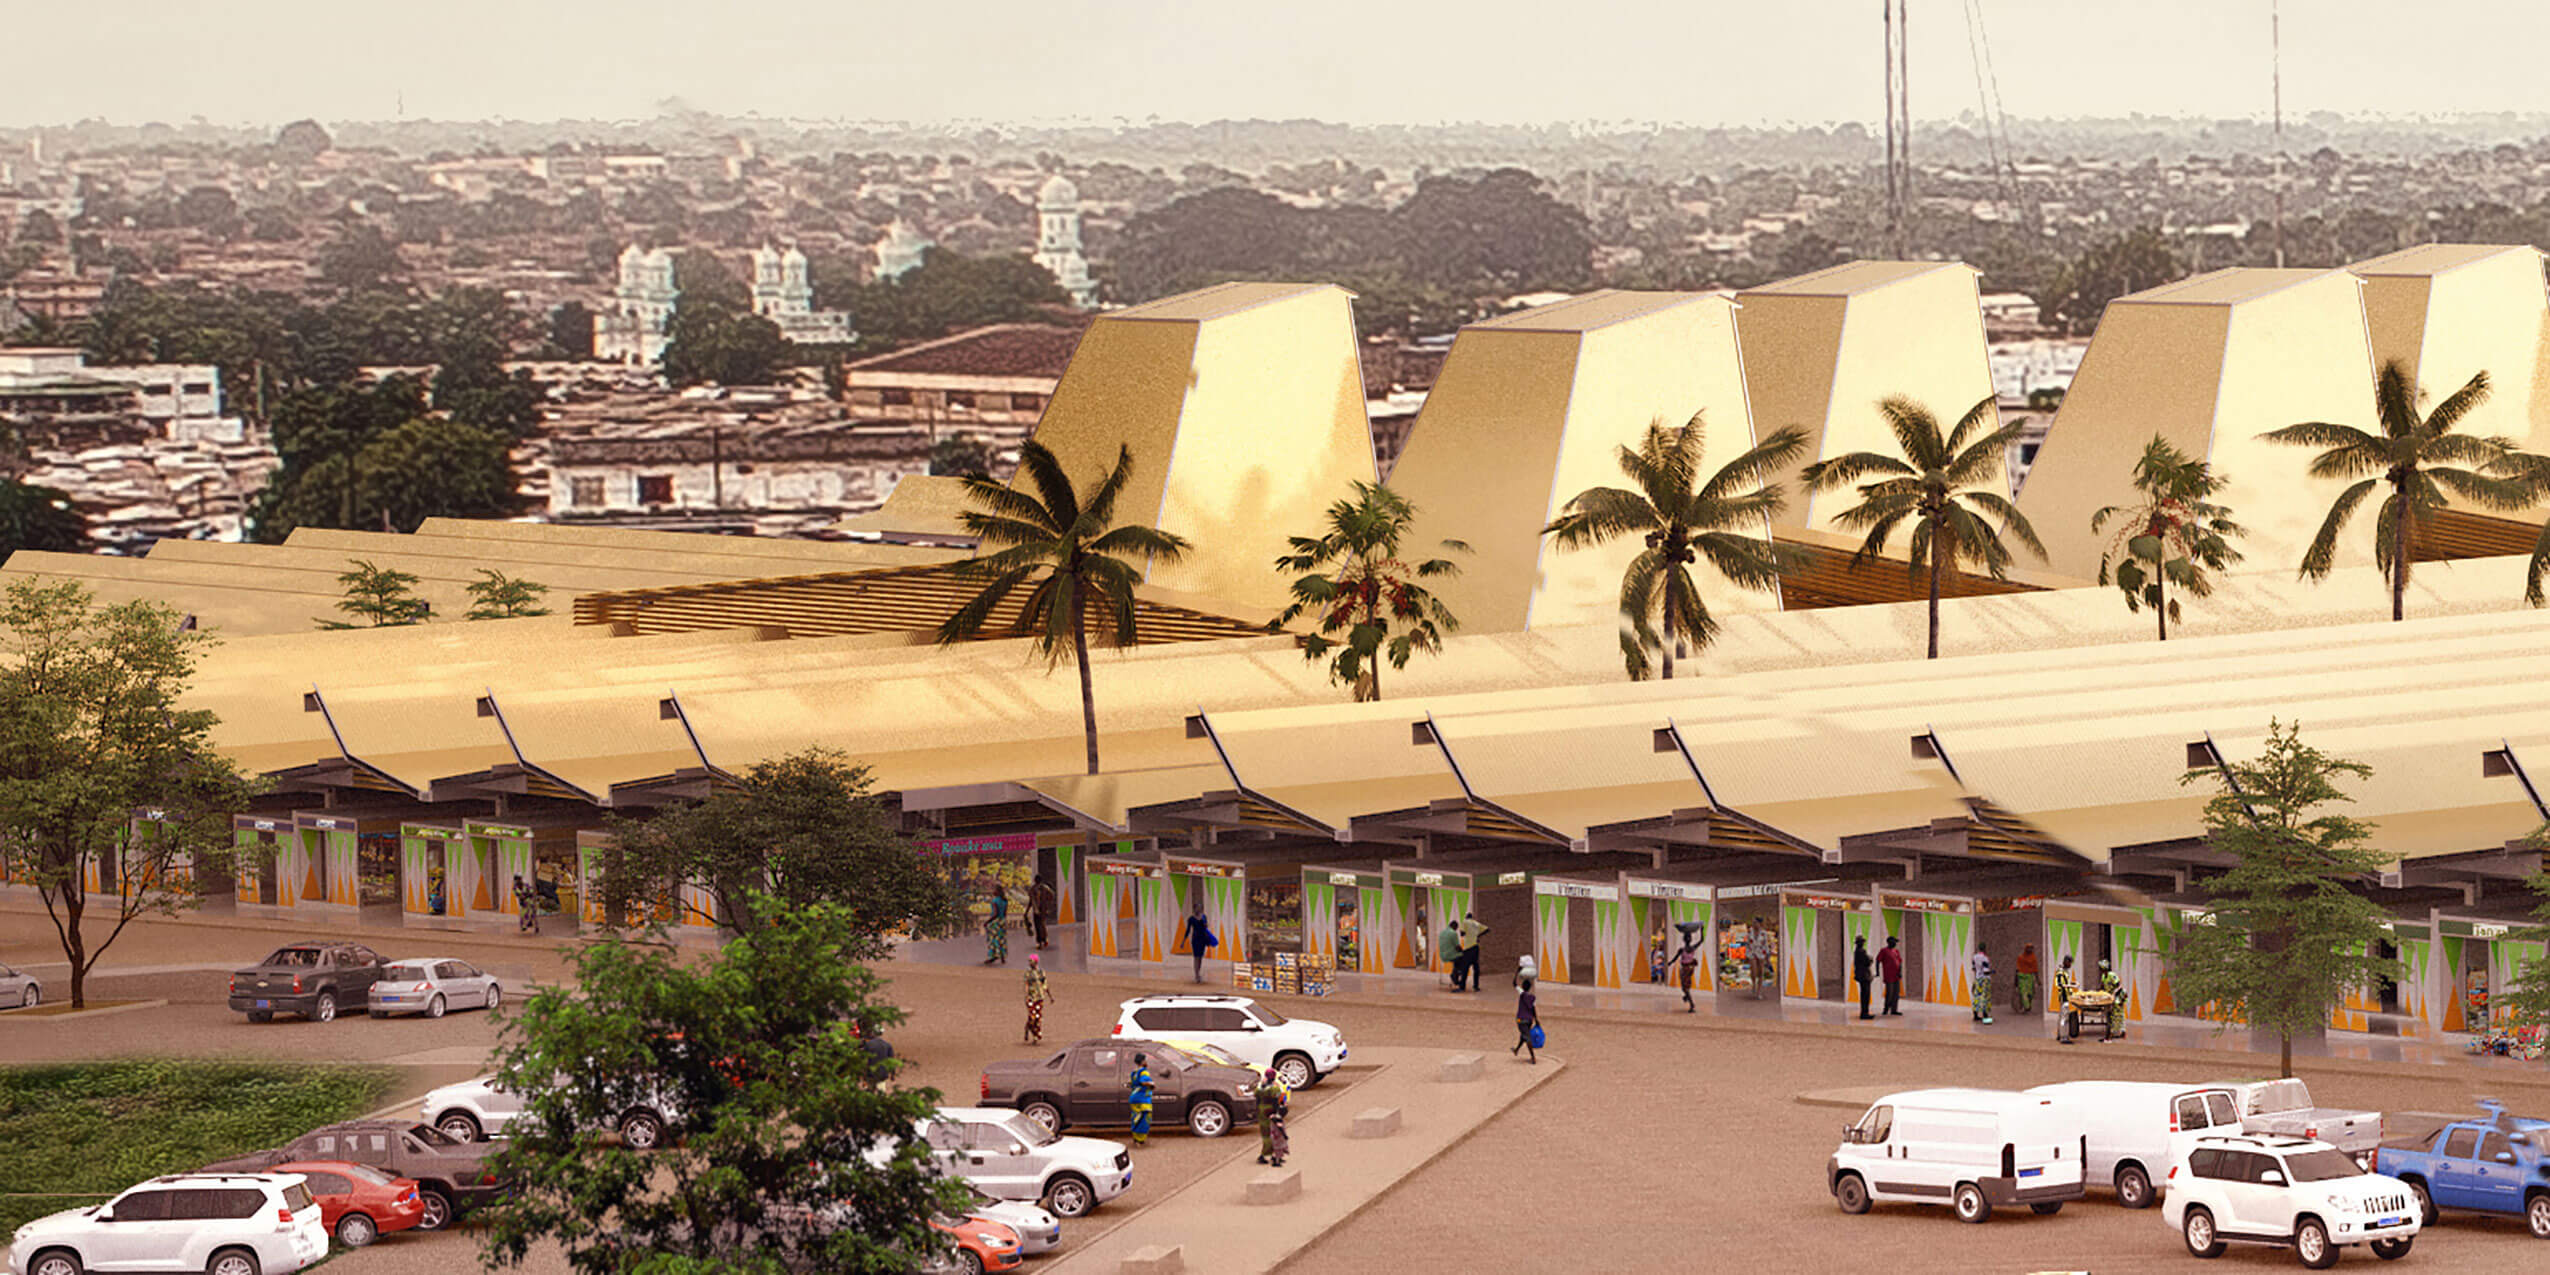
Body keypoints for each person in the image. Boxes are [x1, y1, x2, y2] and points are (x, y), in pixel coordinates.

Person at [1255, 1065, 1290, 1165]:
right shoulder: (1275, 1089)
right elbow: (1278, 1101)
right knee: (1273, 1135)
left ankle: (1271, 1155)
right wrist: (1277, 1113)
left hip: (1262, 1112)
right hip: (1271, 1112)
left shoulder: (1260, 1088)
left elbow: (1256, 1098)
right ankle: (1266, 1155)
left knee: (1266, 1134)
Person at [1455, 912, 1489, 994]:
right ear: (1472, 917)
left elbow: (1462, 934)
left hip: (1468, 948)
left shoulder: (1465, 922)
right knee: (1476, 967)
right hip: (1476, 947)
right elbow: (1487, 929)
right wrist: (1477, 936)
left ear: (1466, 917)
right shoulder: (1476, 923)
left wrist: (1465, 933)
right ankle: (1476, 986)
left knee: (1465, 968)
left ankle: (1462, 987)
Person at [1127, 1052, 1155, 1147]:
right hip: (1143, 1099)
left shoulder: (1133, 1072)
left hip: (1134, 1098)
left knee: (1136, 1118)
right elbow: (1144, 1081)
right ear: (1142, 1061)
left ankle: (1135, 1138)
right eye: (1145, 1060)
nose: (1146, 1062)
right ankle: (1140, 1140)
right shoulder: (1144, 1071)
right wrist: (1151, 1084)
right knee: (1145, 1119)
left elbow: (1130, 1084)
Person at [1183, 903, 1214, 984]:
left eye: (1200, 908)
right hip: (1195, 939)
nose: (1199, 909)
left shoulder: (1204, 917)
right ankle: (1196, 975)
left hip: (1202, 939)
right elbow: (1188, 930)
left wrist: (1205, 925)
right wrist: (1183, 941)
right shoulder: (1191, 919)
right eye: (1197, 908)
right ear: (1194, 908)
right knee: (1196, 957)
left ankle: (1198, 973)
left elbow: (1205, 928)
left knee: (1200, 957)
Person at [1023, 955, 1051, 1045]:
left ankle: (1035, 1035)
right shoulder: (1028, 973)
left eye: (1031, 961)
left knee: (1038, 1017)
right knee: (1032, 1016)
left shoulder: (1041, 972)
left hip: (1039, 997)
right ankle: (1028, 1028)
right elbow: (1026, 984)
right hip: (1031, 997)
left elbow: (1045, 984)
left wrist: (1050, 996)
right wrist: (1027, 995)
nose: (1030, 963)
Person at [2053, 954, 2080, 1044]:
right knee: (2064, 1018)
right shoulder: (2060, 972)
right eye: (2070, 963)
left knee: (2061, 1016)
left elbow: (2066, 982)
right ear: (2066, 962)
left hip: (2066, 996)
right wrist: (2071, 986)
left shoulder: (2065, 972)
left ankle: (2060, 1034)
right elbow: (2060, 984)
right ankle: (2064, 1037)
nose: (2070, 965)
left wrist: (2073, 983)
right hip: (2064, 996)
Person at [1512, 979, 1540, 1064]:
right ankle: (1516, 1049)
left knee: (1527, 1037)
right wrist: (1536, 1019)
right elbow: (1533, 1009)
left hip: (1520, 1019)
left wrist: (1518, 971)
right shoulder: (1532, 998)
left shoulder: (1522, 994)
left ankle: (1533, 1057)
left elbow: (1514, 983)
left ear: (1523, 987)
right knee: (1524, 1035)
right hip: (1529, 1020)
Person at [983, 881, 1010, 966]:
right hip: (1002, 921)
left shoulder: (995, 901)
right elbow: (1004, 913)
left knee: (994, 939)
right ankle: (1002, 957)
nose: (992, 891)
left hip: (996, 922)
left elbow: (995, 914)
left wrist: (987, 922)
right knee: (1002, 939)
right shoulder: (1005, 901)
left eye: (993, 890)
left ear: (997, 892)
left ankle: (993, 956)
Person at [1877, 935, 1904, 1016]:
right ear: (1889, 942)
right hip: (1889, 975)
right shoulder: (1884, 951)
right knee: (1889, 993)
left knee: (1896, 993)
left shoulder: (1896, 951)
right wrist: (1878, 972)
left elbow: (1899, 962)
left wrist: (1900, 972)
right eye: (1894, 942)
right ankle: (1886, 1009)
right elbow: (1878, 961)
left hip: (1896, 975)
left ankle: (1894, 1009)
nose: (1895, 943)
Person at [2099, 958, 2126, 1039]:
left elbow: (2119, 986)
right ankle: (2114, 1031)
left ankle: (2121, 1031)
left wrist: (2114, 994)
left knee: (2118, 1014)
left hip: (2118, 996)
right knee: (2112, 1015)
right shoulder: (2104, 976)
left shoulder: (2112, 975)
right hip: (2110, 997)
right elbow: (2103, 986)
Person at [1968, 942, 1995, 1025]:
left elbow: (1973, 968)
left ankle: (1975, 1015)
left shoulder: (1974, 957)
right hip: (1985, 980)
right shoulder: (1985, 958)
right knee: (1984, 997)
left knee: (1977, 996)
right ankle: (1985, 1017)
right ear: (1985, 949)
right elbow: (1986, 971)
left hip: (1978, 979)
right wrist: (1992, 972)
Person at [1675, 930, 1701, 1012]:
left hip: (1685, 970)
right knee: (1686, 986)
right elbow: (1701, 940)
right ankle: (1687, 997)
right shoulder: (1693, 948)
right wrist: (1701, 930)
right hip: (1690, 969)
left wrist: (1669, 963)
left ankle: (1691, 1004)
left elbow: (1675, 958)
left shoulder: (1681, 950)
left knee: (1685, 988)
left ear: (1683, 939)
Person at [1029, 877, 1056, 950]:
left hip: (1042, 909)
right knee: (1038, 925)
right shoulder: (1033, 889)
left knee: (1041, 925)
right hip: (1037, 909)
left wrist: (1048, 904)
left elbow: (1052, 895)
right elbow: (1031, 900)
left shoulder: (1044, 888)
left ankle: (1042, 940)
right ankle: (1040, 941)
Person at [1852, 935, 1875, 1020]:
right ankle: (1865, 1013)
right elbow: (1867, 961)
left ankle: (1864, 1012)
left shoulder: (1856, 951)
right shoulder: (1861, 951)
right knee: (1866, 995)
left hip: (1861, 975)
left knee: (1864, 995)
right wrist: (1870, 959)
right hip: (1864, 976)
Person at [2014, 943, 2040, 1014]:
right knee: (2023, 993)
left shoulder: (2033, 958)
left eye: (2031, 948)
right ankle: (2027, 1007)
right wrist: (2016, 981)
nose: (2030, 949)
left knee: (2030, 994)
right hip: (2022, 977)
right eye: (2028, 948)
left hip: (2030, 977)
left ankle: (2027, 1006)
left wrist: (2038, 980)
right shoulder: (2020, 957)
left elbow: (2035, 969)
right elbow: (2017, 969)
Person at [1437, 916, 1460, 988]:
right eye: (1456, 928)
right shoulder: (1453, 933)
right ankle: (1455, 975)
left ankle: (1455, 973)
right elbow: (1457, 947)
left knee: (1459, 959)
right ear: (1454, 927)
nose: (1456, 930)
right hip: (1451, 955)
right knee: (1463, 959)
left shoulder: (1442, 932)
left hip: (1442, 955)